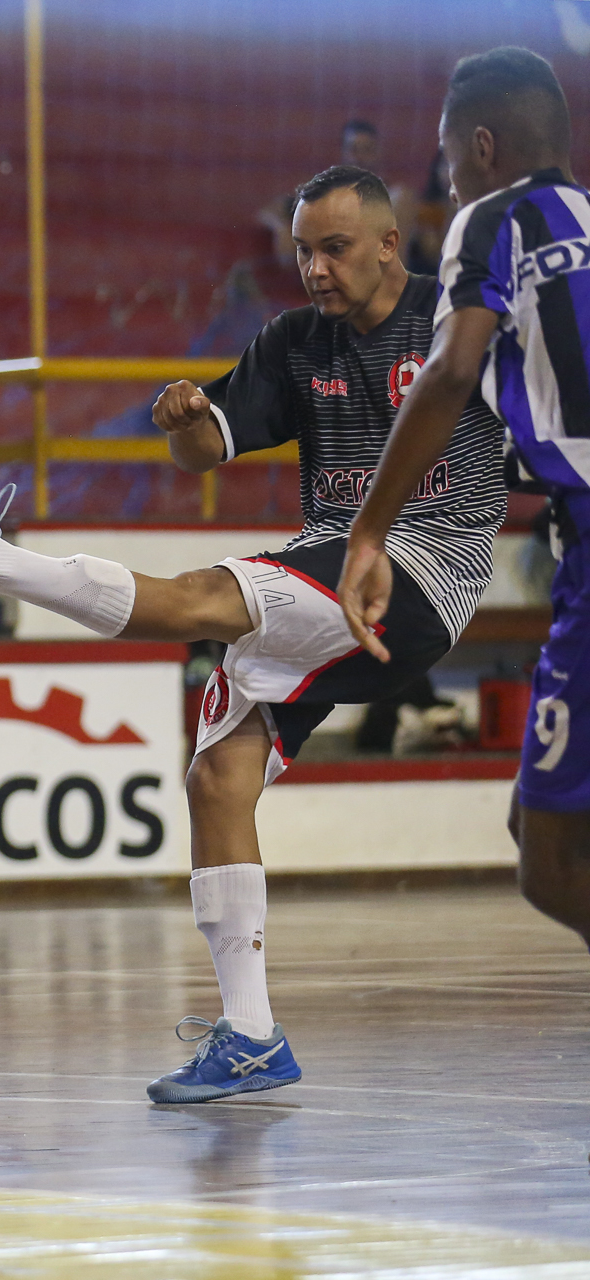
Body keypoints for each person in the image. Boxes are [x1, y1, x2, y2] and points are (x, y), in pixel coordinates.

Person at [0, 164, 507, 1102]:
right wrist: (184, 418)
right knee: (218, 777)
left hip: (422, 573)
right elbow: (207, 448)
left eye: (335, 248)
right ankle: (253, 1037)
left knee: (196, 599)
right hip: (330, 565)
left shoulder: (459, 319)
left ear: (391, 244)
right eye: (304, 249)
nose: (313, 267)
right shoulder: (292, 343)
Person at [339, 47, 590, 957]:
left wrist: (371, 531)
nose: (449, 178)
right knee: (544, 832)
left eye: (447, 160)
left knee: (549, 859)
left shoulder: (491, 217)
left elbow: (449, 370)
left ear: (481, 148)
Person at [258, 120, 418, 268]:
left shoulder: (396, 197)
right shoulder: (325, 192)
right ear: (344, 153)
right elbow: (268, 211)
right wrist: (281, 228)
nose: (359, 158)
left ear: (377, 154)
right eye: (354, 149)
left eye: (367, 150)